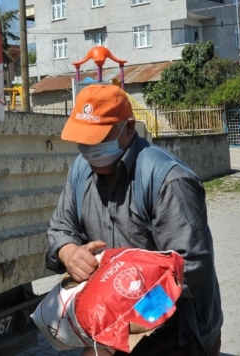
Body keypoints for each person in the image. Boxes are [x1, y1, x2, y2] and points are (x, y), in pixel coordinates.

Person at [46, 84, 223, 356]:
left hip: (176, 335)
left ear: (129, 128)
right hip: (109, 329)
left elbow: (190, 266)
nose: (90, 150)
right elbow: (61, 227)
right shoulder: (81, 170)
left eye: (99, 139)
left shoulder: (168, 180)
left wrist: (131, 319)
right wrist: (68, 252)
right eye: (84, 141)